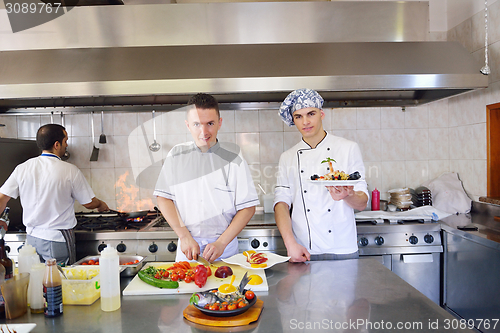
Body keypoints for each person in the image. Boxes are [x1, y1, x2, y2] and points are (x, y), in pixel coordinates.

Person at [154, 93, 259, 263]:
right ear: (188, 125)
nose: (204, 132)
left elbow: (248, 208)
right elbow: (164, 198)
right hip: (188, 250)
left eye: (210, 124)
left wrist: (221, 243)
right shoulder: (176, 155)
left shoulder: (234, 157)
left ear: (220, 122)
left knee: (226, 290)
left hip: (224, 252)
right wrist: (184, 236)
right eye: (197, 124)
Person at [274, 88, 368, 262]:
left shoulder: (348, 148)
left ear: (322, 114)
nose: (306, 122)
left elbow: (362, 203)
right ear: (293, 120)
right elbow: (281, 203)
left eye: (311, 114)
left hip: (343, 248)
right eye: (298, 116)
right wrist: (290, 244)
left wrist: (349, 194)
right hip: (304, 250)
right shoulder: (287, 157)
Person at [0, 124, 109, 264]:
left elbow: (2, 198)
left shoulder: (23, 168)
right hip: (57, 239)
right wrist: (100, 204)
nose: (67, 145)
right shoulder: (70, 170)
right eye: (66, 141)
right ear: (57, 144)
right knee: (60, 281)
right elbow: (88, 203)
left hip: (32, 239)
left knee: (38, 281)